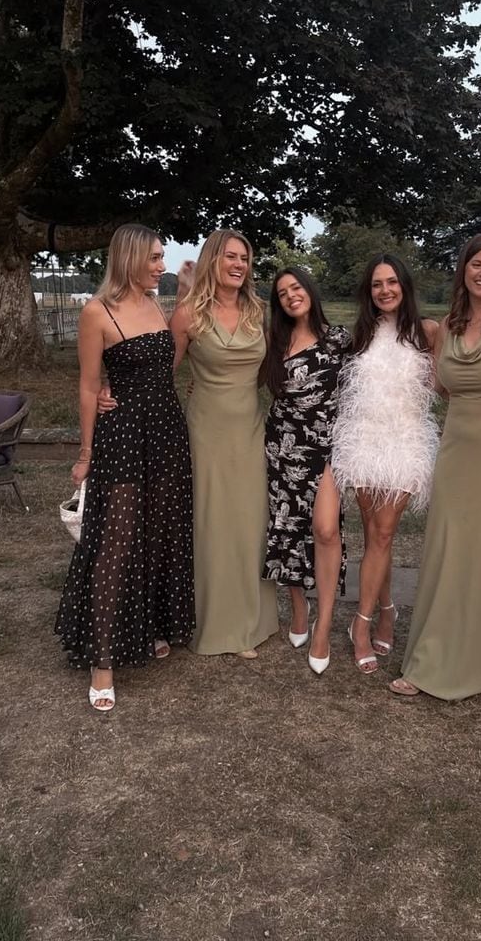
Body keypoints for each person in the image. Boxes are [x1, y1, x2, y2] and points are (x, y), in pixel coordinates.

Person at [390, 234, 481, 700]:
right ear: (464, 270)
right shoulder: (445, 328)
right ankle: (433, 659)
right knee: (449, 551)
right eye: (477, 264)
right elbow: (440, 386)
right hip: (456, 452)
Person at [55, 224, 194, 711]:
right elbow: (89, 386)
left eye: (163, 257)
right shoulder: (98, 311)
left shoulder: (159, 304)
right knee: (115, 540)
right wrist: (86, 454)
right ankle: (102, 660)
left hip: (166, 432)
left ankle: (152, 624)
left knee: (159, 531)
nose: (162, 265)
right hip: (122, 438)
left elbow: (165, 365)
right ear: (130, 258)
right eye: (155, 258)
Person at [169, 229, 279, 657]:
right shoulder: (187, 315)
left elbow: (277, 369)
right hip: (206, 434)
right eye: (229, 256)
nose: (238, 264)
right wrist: (111, 393)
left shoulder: (258, 311)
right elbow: (162, 373)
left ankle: (253, 620)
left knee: (251, 524)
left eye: (245, 258)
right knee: (212, 525)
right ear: (212, 260)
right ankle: (217, 624)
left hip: (251, 432)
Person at [332, 254, 439, 674]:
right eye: (377, 284)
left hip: (406, 440)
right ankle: (389, 609)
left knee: (386, 530)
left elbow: (448, 382)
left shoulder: (428, 331)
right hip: (362, 440)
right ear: (369, 291)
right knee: (375, 535)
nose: (385, 290)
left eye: (392, 282)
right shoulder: (358, 334)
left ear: (404, 285)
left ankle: (360, 624)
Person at [261, 268, 351, 674]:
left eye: (296, 288)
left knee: (326, 529)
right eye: (282, 293)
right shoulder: (274, 343)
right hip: (282, 447)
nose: (290, 296)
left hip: (329, 449)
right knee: (287, 529)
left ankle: (325, 624)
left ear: (310, 291)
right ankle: (298, 605)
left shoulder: (340, 340)